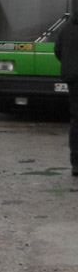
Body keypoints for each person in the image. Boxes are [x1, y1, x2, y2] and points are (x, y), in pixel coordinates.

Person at [53, 11, 78, 176]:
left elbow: (57, 50)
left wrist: (70, 65)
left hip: (73, 78)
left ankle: (76, 163)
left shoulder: (67, 28)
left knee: (76, 119)